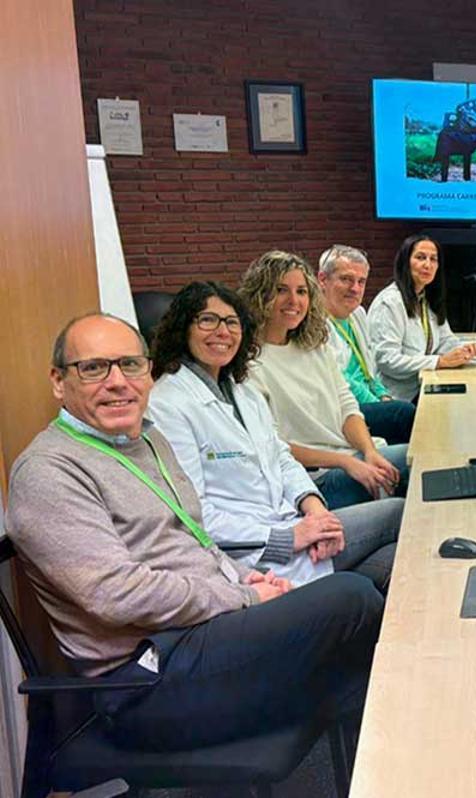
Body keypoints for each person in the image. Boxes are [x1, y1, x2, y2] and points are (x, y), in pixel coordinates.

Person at [4, 313, 382, 751]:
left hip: (201, 635)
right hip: (146, 683)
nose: (117, 381)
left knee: (370, 595)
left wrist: (243, 577)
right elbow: (115, 594)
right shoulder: (49, 472)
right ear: (58, 381)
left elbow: (193, 537)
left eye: (130, 365)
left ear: (148, 372)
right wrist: (243, 597)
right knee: (352, 598)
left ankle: (379, 749)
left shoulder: (145, 440)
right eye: (93, 368)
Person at [147, 281, 402, 593]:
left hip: (297, 527)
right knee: (398, 515)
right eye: (207, 320)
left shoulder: (243, 392)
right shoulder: (167, 404)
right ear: (182, 328)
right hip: (255, 555)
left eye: (231, 322)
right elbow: (192, 514)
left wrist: (316, 511)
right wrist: (290, 536)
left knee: (394, 564)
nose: (222, 331)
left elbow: (281, 457)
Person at [239, 250, 407, 510]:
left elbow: (347, 406)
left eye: (302, 292)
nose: (293, 300)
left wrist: (370, 451)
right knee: (413, 480)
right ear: (260, 294)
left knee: (428, 461)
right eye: (281, 290)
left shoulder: (315, 344)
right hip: (313, 479)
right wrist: (346, 462)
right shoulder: (247, 364)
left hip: (353, 455)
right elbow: (272, 446)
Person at [316, 244, 415, 445]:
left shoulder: (358, 314)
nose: (355, 289)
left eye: (361, 282)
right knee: (404, 414)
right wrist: (378, 403)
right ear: (322, 279)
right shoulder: (314, 323)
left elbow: (368, 369)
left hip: (368, 398)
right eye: (346, 279)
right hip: (342, 408)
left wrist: (383, 395)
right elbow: (341, 381)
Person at [366, 234, 476, 402]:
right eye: (420, 257)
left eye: (433, 259)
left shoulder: (426, 299)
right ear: (405, 262)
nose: (427, 264)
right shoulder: (390, 303)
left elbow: (445, 339)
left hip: (424, 387)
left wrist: (463, 350)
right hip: (396, 398)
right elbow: (387, 361)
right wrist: (438, 362)